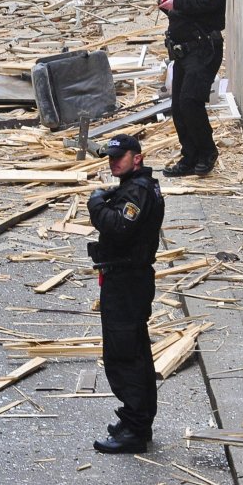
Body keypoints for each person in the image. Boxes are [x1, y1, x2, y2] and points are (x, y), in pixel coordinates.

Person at [86, 135, 165, 454]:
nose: (114, 162)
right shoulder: (135, 186)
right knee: (135, 352)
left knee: (124, 355)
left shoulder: (137, 191)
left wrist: (96, 203)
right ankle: (136, 420)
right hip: (127, 277)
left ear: (138, 157)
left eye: (121, 156)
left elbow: (118, 227)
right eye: (110, 158)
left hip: (127, 281)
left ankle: (135, 429)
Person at [149, 0, 226, 177]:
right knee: (180, 107)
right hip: (183, 52)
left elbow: (209, 3)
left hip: (203, 50)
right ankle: (190, 157)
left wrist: (177, 3)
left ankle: (207, 152)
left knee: (191, 103)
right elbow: (179, 12)